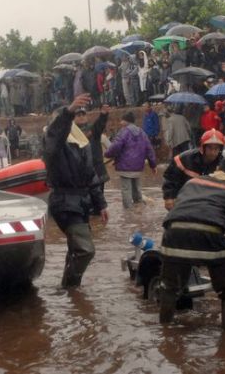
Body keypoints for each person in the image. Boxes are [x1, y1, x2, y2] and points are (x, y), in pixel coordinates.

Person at [158, 148, 225, 328]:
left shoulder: (192, 182)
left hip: (172, 235)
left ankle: (165, 330)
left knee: (170, 287)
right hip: (209, 236)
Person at [43, 93, 108, 288]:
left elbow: (92, 177)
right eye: (73, 117)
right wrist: (68, 112)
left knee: (75, 249)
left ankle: (71, 294)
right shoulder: (53, 143)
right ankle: (69, 286)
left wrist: (101, 204)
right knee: (86, 250)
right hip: (64, 202)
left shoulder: (82, 143)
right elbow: (56, 131)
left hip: (80, 202)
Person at [162, 128, 225, 210]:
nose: (213, 152)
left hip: (207, 201)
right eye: (210, 148)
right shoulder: (184, 159)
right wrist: (168, 198)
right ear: (203, 148)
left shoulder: (223, 164)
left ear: (220, 149)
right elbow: (170, 177)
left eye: (216, 149)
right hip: (183, 198)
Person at [104, 111, 157, 209]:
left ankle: (128, 212)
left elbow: (115, 146)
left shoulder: (124, 132)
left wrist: (107, 154)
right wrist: (153, 165)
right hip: (137, 167)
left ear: (125, 121)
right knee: (137, 189)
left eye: (122, 120)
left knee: (126, 189)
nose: (120, 123)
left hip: (125, 167)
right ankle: (139, 210)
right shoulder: (142, 132)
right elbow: (149, 149)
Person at [75, 105, 110, 196]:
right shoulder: (70, 133)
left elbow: (99, 125)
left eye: (83, 115)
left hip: (97, 169)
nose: (81, 117)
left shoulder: (93, 129)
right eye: (78, 115)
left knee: (99, 198)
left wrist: (103, 115)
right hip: (81, 171)